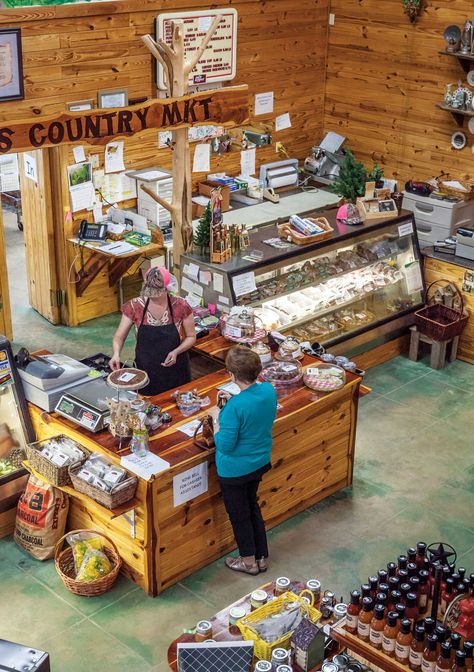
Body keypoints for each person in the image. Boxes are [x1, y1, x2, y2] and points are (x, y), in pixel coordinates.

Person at [209, 345, 277, 575]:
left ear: (231, 375)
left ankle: (248, 562)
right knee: (252, 507)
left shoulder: (234, 407)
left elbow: (225, 445)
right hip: (259, 462)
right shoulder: (268, 390)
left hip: (234, 470)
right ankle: (261, 557)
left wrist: (217, 419)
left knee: (239, 516)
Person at [110, 266, 196, 395]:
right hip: (146, 369)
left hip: (176, 370)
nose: (153, 296)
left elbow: (191, 336)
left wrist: (176, 351)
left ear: (167, 288)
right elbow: (119, 337)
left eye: (157, 292)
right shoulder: (134, 306)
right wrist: (116, 354)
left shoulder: (181, 306)